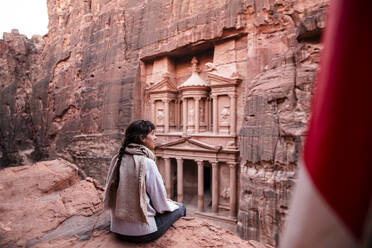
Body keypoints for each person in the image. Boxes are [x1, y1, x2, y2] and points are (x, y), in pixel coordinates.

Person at [103, 120, 186, 243]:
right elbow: (161, 205)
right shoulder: (147, 163)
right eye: (152, 134)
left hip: (117, 230)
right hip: (143, 233)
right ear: (142, 138)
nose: (155, 137)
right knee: (181, 208)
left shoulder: (117, 159)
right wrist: (172, 205)